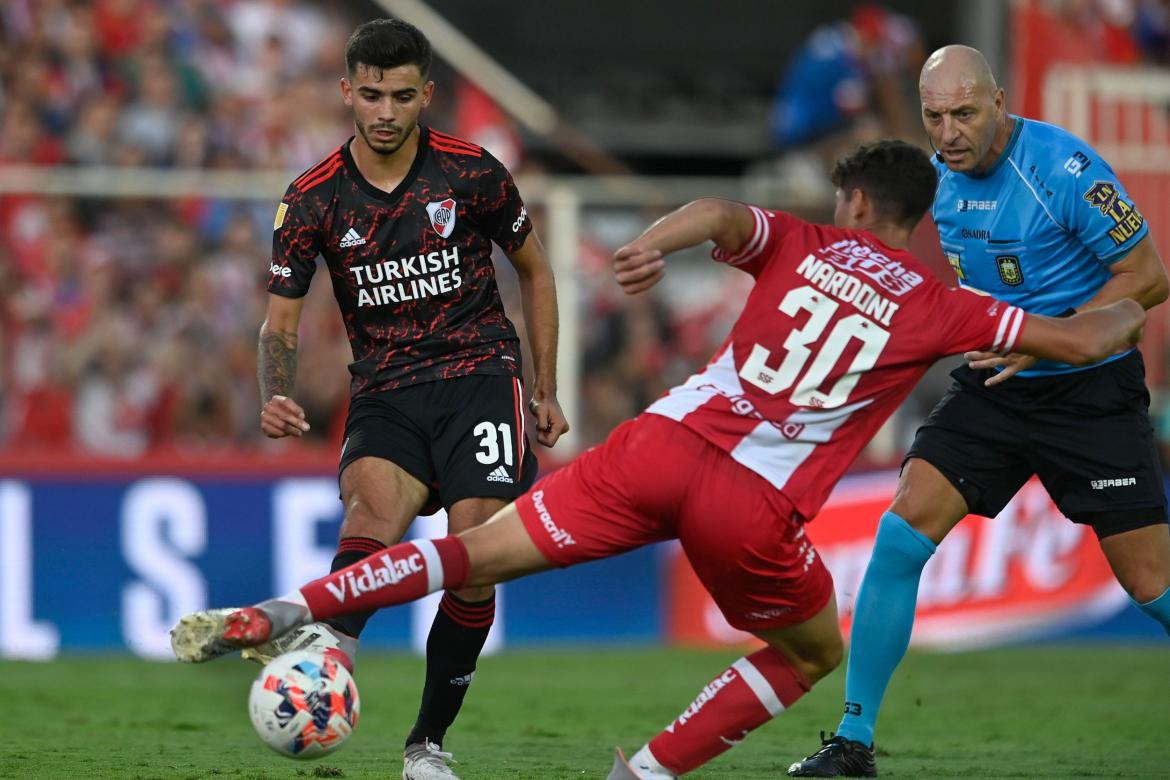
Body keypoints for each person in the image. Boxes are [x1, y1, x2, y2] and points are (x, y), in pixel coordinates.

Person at [171, 140, 1144, 780]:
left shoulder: (800, 240)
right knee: (813, 655)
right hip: (752, 499)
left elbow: (725, 213)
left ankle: (287, 611)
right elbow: (1075, 343)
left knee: (475, 553)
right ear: (918, 220)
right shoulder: (942, 302)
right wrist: (1136, 300)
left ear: (850, 199)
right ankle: (641, 774)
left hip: (657, 443)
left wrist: (651, 244)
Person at [788, 45, 1170, 778]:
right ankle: (853, 740)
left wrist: (1056, 341)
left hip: (1090, 392)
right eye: (935, 117)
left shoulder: (1064, 169)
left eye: (964, 113)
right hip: (998, 383)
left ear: (1000, 100)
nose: (950, 132)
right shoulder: (937, 179)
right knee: (899, 535)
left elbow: (1147, 277)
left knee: (1152, 585)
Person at [254, 18, 568, 780]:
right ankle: (329, 660)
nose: (385, 110)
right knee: (370, 517)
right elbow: (281, 320)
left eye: (401, 95)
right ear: (347, 94)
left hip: (481, 377)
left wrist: (546, 387)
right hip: (387, 389)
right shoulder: (313, 199)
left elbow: (536, 271)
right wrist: (276, 392)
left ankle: (425, 745)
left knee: (476, 557)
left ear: (426, 94)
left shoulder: (472, 173)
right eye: (370, 95)